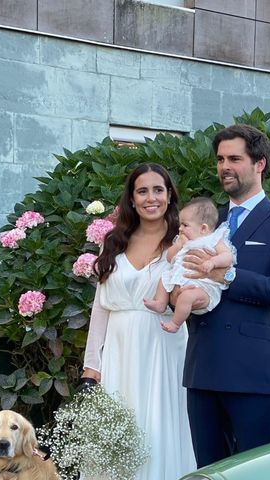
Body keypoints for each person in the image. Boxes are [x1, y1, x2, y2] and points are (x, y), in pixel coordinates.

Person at [179, 124, 270, 468]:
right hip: (202, 370)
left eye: (235, 158)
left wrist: (230, 276)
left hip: (252, 375)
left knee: (259, 473)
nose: (224, 166)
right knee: (209, 472)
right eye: (220, 158)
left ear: (260, 164)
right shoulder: (207, 222)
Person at [81, 163, 197, 479]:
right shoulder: (114, 241)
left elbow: (195, 295)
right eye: (142, 191)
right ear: (131, 199)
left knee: (159, 428)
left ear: (169, 195)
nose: (151, 198)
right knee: (115, 435)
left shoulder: (183, 240)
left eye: (158, 190)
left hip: (163, 347)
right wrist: (92, 365)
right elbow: (101, 307)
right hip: (117, 351)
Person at [143, 197, 234, 333]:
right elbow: (169, 258)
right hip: (181, 279)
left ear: (203, 228)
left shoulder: (213, 240)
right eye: (180, 224)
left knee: (187, 297)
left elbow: (228, 257)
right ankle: (161, 302)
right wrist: (178, 245)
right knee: (164, 277)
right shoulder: (182, 240)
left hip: (204, 287)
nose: (180, 228)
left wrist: (212, 262)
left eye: (185, 225)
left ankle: (175, 323)